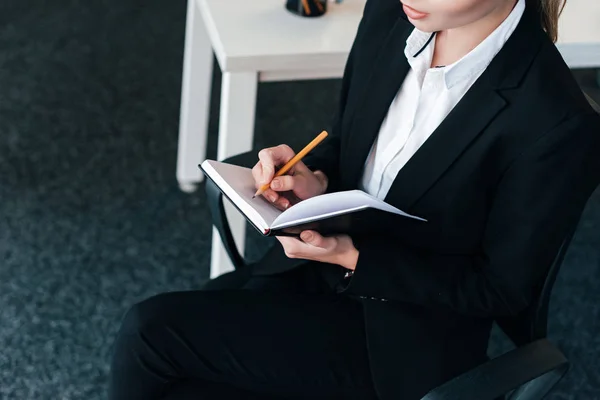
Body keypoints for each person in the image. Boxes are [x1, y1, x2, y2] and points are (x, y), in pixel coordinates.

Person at [108, 0, 600, 398]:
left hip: (399, 336)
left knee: (151, 333)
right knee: (172, 377)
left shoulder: (556, 122)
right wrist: (314, 180)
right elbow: (349, 143)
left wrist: (351, 256)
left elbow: (500, 290)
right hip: (313, 273)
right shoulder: (390, 14)